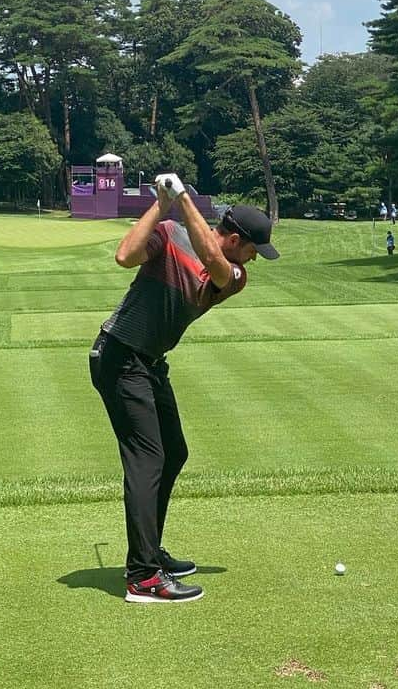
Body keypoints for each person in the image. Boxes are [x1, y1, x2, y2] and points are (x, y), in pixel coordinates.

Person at [90, 172, 279, 604]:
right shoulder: (170, 233)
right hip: (119, 356)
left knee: (173, 452)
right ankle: (142, 577)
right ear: (236, 239)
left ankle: (148, 552)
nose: (253, 260)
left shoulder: (232, 274)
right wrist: (161, 202)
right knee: (148, 458)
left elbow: (212, 262)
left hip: (149, 363)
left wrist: (185, 200)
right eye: (253, 250)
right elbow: (125, 256)